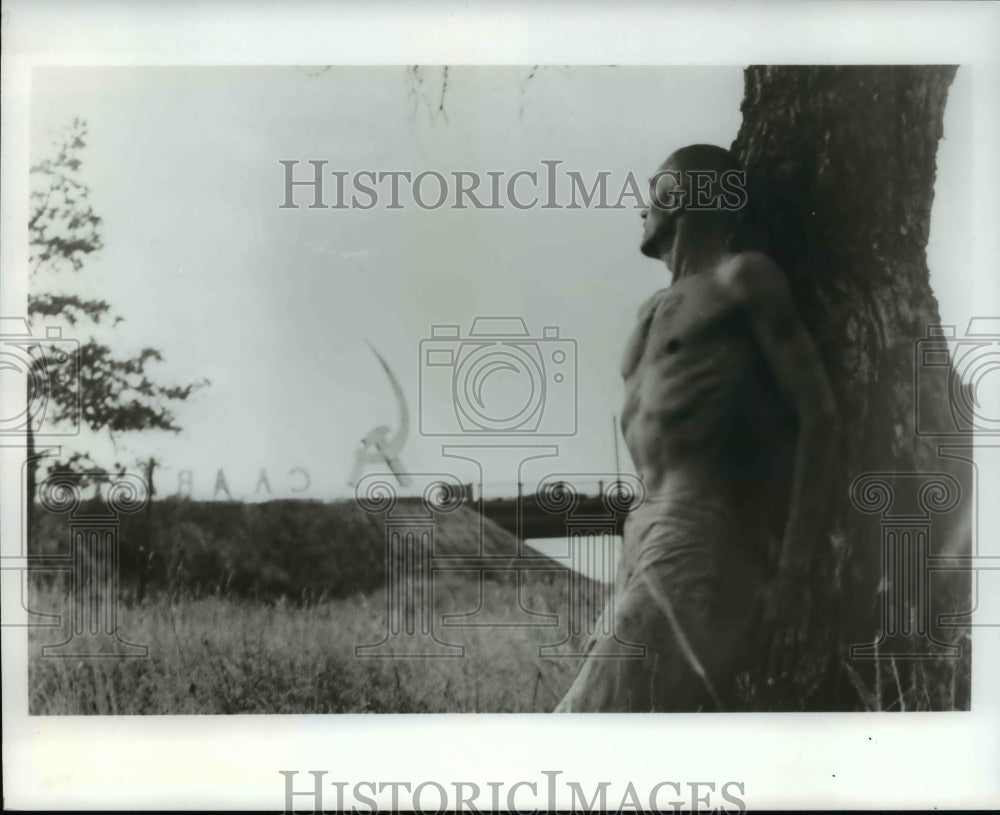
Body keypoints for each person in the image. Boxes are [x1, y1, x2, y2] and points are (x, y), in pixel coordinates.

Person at [555, 145, 840, 712]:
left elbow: (819, 418)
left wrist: (792, 572)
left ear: (680, 195)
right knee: (636, 712)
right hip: (640, 529)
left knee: (592, 714)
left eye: (652, 190)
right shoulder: (650, 309)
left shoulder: (743, 277)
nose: (641, 209)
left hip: (699, 528)